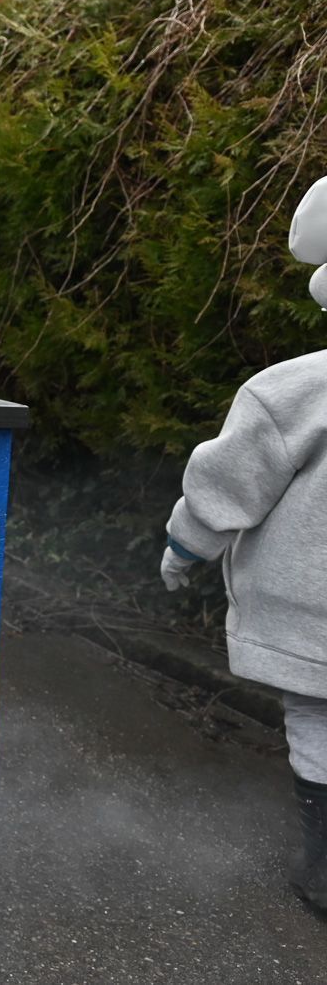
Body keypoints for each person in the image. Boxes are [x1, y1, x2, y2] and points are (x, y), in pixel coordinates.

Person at [161, 178, 327, 913]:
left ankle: (324, 868)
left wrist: (183, 550)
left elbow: (227, 486)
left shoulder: (295, 390)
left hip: (312, 606)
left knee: (319, 720)